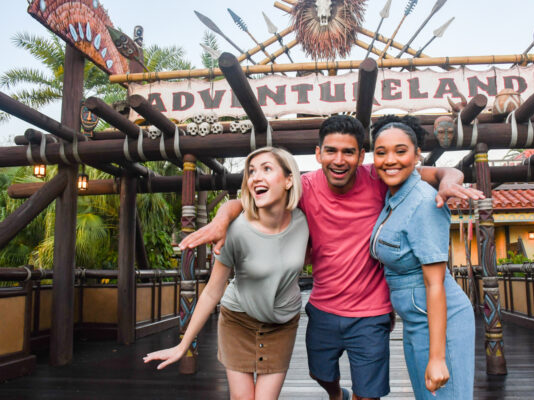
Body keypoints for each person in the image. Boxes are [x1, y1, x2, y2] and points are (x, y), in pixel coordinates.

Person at [180, 115, 483, 400]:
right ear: (318, 153)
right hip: (324, 305)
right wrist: (220, 221)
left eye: (348, 152)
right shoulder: (305, 187)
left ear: (361, 156)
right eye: (331, 151)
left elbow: (442, 173)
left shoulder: (379, 178)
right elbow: (251, 199)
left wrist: (446, 182)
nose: (339, 160)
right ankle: (337, 395)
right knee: (321, 373)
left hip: (372, 310)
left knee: (373, 390)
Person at [144, 147, 309, 400]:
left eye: (267, 168)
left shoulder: (304, 221)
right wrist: (184, 343)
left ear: (289, 180)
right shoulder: (237, 231)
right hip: (238, 320)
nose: (255, 177)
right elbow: (212, 290)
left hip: (282, 323)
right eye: (251, 171)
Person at [369, 115, 475, 400]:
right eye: (381, 152)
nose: (390, 160)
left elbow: (435, 283)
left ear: (417, 156)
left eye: (400, 151)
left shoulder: (425, 203)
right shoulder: (394, 195)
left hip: (442, 323)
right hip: (416, 321)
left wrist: (438, 357)